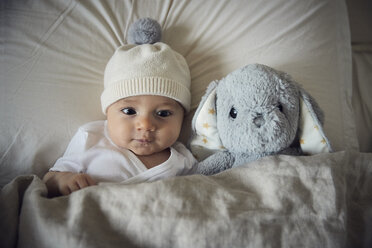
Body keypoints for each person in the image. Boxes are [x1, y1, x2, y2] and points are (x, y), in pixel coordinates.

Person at [43, 41, 197, 196]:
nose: (145, 125)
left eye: (163, 113)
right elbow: (49, 179)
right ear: (108, 111)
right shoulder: (91, 137)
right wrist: (63, 180)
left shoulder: (184, 160)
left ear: (182, 117)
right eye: (129, 111)